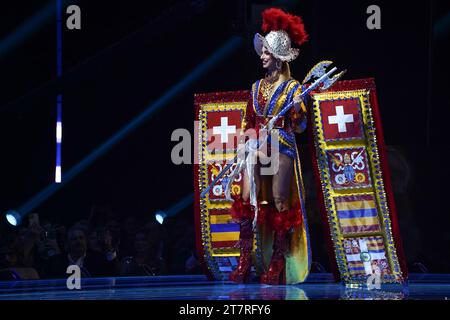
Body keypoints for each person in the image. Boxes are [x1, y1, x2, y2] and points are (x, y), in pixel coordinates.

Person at [229, 8, 311, 285]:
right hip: (258, 147)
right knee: (246, 197)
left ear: (277, 57)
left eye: (266, 52)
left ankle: (277, 260)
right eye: (262, 52)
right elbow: (248, 122)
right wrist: (245, 143)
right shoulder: (255, 88)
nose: (261, 57)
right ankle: (244, 260)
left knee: (278, 200)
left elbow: (300, 127)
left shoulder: (293, 89)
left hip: (282, 145)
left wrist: (298, 113)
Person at [43, 225, 118, 278]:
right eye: (74, 239)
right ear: (67, 243)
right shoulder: (55, 262)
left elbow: (113, 272)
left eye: (81, 238)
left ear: (86, 241)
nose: (78, 241)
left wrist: (109, 247)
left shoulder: (97, 258)